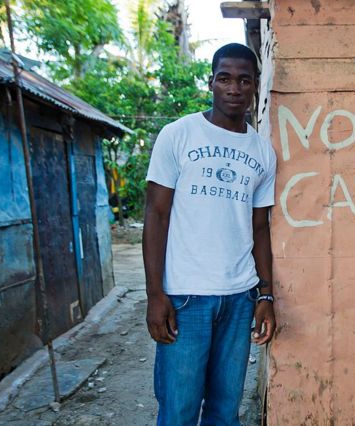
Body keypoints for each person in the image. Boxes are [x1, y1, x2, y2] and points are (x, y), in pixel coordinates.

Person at [142, 43, 277, 426]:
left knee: (224, 410)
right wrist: (155, 294)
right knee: (179, 411)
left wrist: (265, 294)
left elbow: (259, 227)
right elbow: (156, 214)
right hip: (185, 297)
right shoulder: (179, 135)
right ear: (211, 82)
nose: (234, 88)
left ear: (255, 86)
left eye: (244, 80)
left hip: (238, 297)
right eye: (225, 78)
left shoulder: (262, 151)